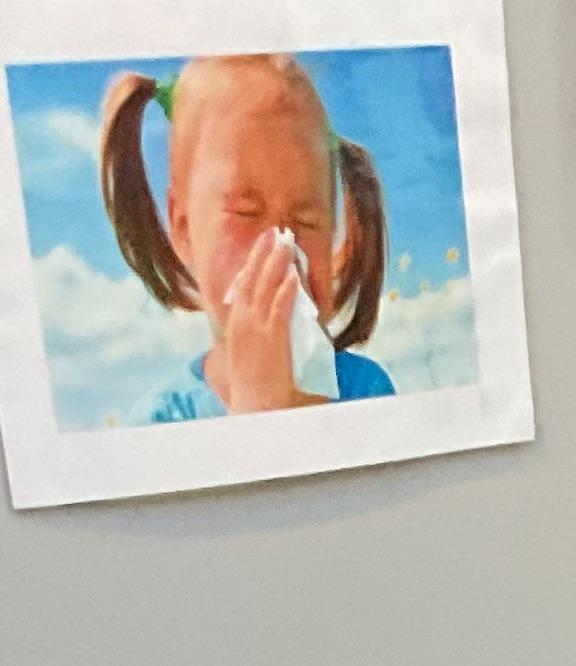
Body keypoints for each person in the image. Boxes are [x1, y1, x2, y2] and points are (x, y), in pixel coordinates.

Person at [100, 60, 394, 422]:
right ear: (184, 227)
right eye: (246, 213)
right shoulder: (160, 420)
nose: (282, 249)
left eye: (307, 221)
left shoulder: (366, 389)